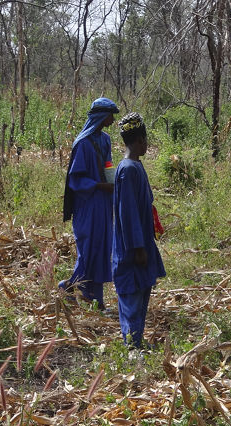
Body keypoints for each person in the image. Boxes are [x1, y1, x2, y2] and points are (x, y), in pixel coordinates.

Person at [111, 113, 166, 348]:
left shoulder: (135, 167)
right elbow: (128, 213)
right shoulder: (128, 170)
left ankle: (137, 341)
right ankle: (131, 346)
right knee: (131, 297)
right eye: (145, 140)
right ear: (139, 140)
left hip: (142, 241)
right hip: (132, 249)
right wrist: (138, 247)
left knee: (142, 292)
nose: (146, 144)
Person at [60, 97, 120, 310]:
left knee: (103, 247)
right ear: (101, 116)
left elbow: (107, 164)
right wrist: (98, 185)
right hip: (87, 204)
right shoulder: (83, 143)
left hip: (104, 203)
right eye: (111, 115)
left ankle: (96, 299)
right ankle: (67, 286)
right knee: (89, 249)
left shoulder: (105, 140)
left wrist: (113, 182)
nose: (113, 120)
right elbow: (76, 179)